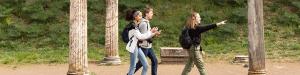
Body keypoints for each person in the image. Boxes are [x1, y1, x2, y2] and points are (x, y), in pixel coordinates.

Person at [125, 10, 160, 75]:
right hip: (134, 47)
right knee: (133, 67)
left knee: (146, 66)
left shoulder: (135, 25)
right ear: (135, 17)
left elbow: (142, 36)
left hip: (138, 46)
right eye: (140, 16)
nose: (141, 17)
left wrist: (151, 32)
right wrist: (152, 32)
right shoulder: (133, 26)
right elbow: (141, 37)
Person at [134, 7, 159, 75]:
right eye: (151, 13)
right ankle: (129, 73)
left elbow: (148, 33)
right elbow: (144, 36)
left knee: (154, 60)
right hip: (144, 46)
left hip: (148, 46)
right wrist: (154, 33)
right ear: (146, 14)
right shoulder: (144, 23)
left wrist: (154, 33)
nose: (152, 14)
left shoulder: (146, 22)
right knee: (141, 63)